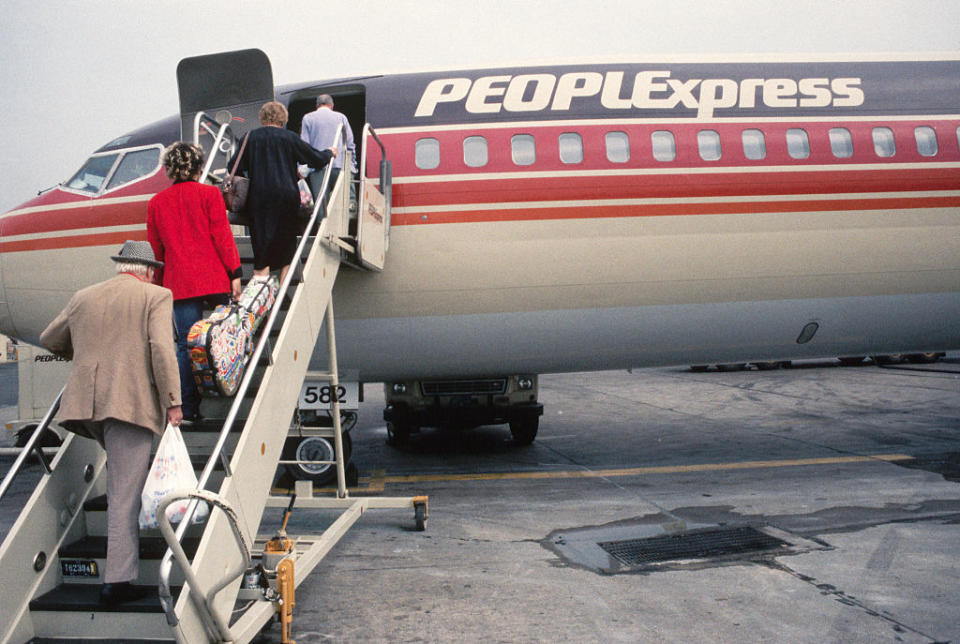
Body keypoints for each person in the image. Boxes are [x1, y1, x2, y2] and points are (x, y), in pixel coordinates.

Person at [39, 240, 182, 606]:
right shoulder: (156, 296)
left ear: (121, 266)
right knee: (123, 495)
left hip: (88, 406)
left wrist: (86, 352)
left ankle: (119, 572)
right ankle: (117, 582)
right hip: (128, 406)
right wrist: (173, 403)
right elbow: (163, 351)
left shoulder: (85, 295)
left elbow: (49, 338)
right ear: (148, 271)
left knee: (122, 481)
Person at [147, 142, 243, 425]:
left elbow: (157, 251)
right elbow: (222, 236)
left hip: (179, 284)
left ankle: (187, 408)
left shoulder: (156, 203)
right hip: (214, 279)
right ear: (199, 168)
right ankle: (228, 393)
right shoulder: (210, 194)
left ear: (169, 170)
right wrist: (235, 272)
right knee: (224, 339)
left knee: (185, 346)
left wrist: (160, 286)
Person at [229, 101, 337, 285]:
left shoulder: (249, 137)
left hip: (259, 197)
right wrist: (329, 152)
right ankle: (283, 288)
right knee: (287, 243)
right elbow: (315, 159)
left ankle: (260, 286)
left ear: (262, 117)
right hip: (286, 196)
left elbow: (234, 167)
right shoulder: (290, 137)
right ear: (283, 118)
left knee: (262, 243)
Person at [300, 94, 357, 205]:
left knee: (321, 206)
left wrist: (302, 168)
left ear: (317, 106)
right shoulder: (341, 117)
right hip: (341, 166)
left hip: (318, 169)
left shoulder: (307, 118)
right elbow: (350, 144)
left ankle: (321, 221)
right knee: (345, 205)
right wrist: (352, 165)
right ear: (332, 105)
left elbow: (304, 147)